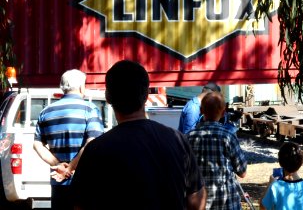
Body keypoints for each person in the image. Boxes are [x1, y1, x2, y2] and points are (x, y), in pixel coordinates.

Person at [70, 60, 206, 210]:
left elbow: (79, 205)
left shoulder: (95, 151)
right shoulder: (178, 140)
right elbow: (196, 200)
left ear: (108, 97)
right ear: (147, 95)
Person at [33, 69, 105, 210]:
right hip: (85, 184)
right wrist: (70, 168)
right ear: (81, 86)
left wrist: (59, 165)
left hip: (58, 182)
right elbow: (93, 143)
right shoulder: (90, 109)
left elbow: (37, 144)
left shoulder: (46, 111)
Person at [187, 91, 247, 210]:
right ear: (223, 112)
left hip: (199, 205)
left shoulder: (188, 137)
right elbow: (242, 172)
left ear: (201, 111)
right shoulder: (228, 136)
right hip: (227, 204)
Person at [259, 141, 303, 210]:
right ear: (301, 163)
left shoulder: (275, 186)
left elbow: (262, 207)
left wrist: (270, 184)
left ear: (280, 163)